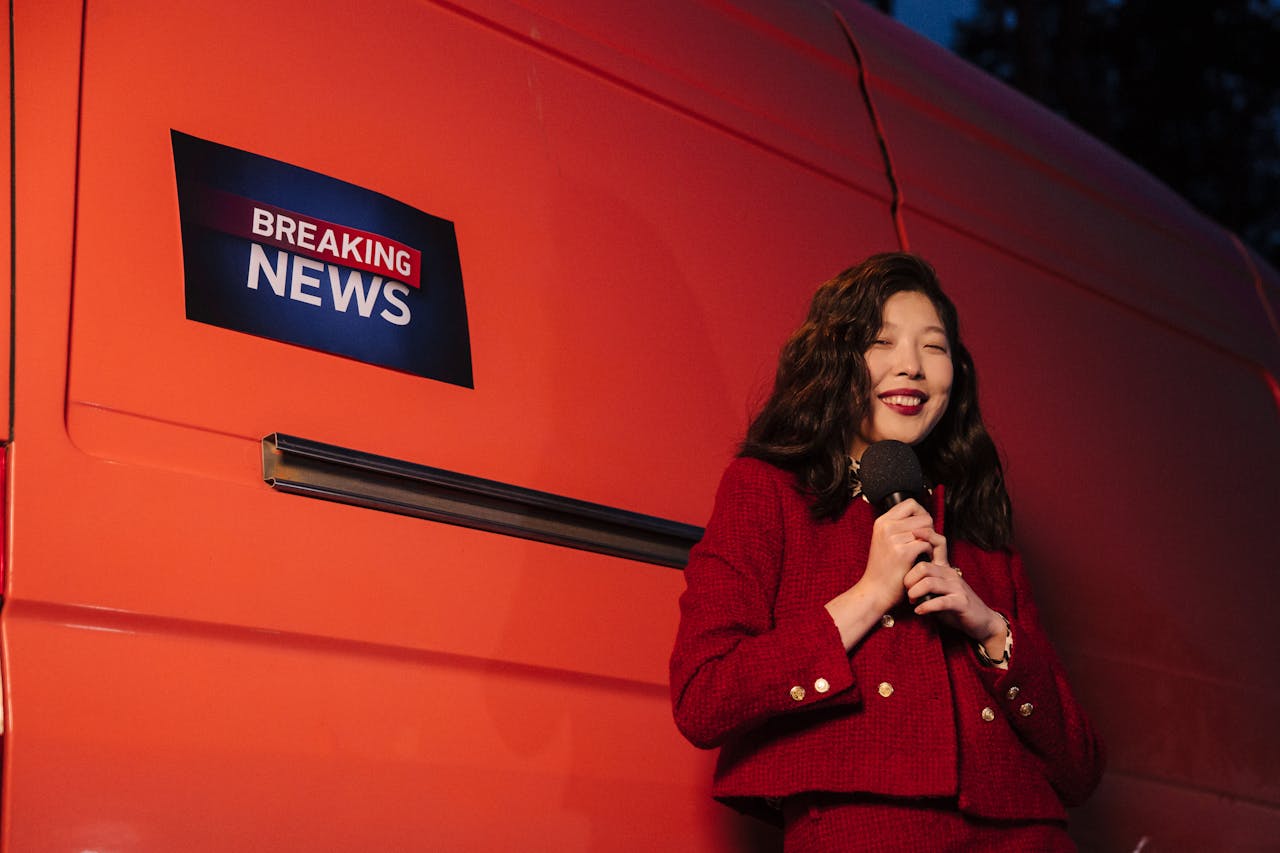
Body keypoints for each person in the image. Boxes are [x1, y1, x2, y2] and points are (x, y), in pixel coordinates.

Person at [669, 253, 1103, 851]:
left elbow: (1080, 768)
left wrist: (988, 627)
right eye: (881, 341)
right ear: (834, 360)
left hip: (1027, 835)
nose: (911, 368)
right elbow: (704, 698)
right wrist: (870, 595)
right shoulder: (766, 491)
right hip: (864, 829)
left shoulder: (977, 524)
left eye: (934, 347)